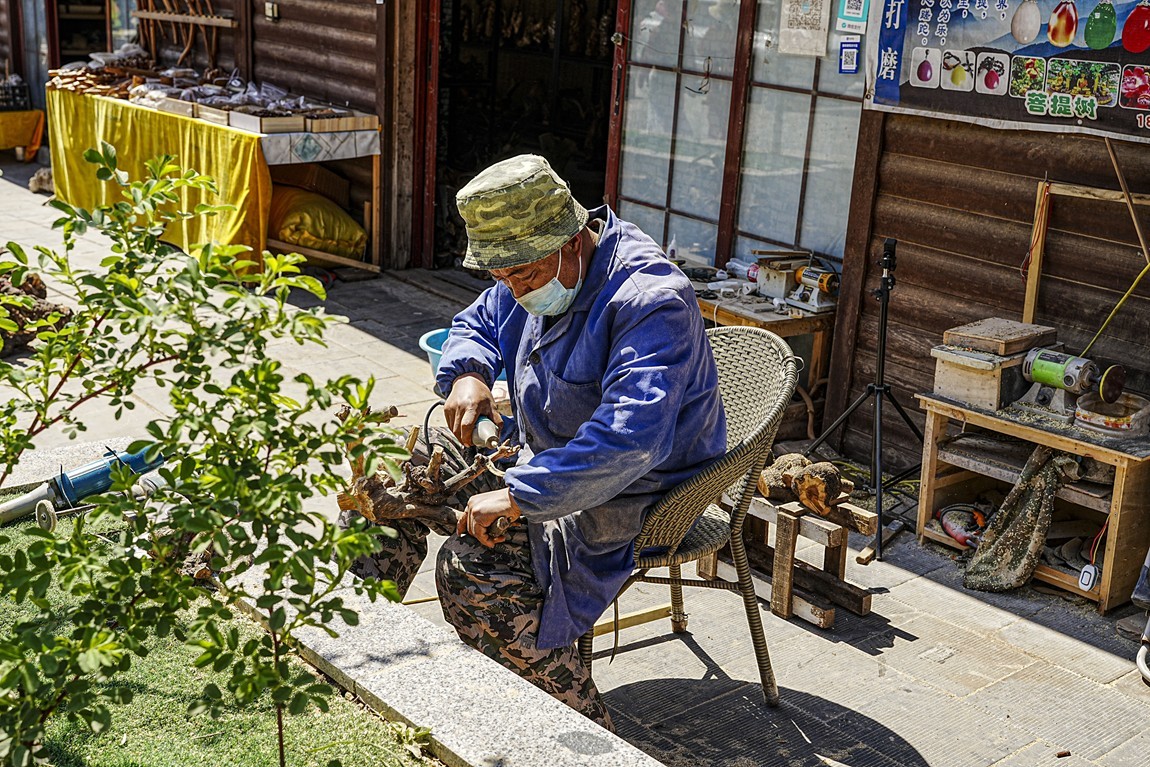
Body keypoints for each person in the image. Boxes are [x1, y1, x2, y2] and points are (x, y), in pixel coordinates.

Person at [345, 154, 726, 730]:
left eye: (523, 277)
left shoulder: (651, 302)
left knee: (472, 574)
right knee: (414, 455)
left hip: (633, 495)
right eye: (504, 278)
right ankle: (353, 626)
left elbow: (630, 441)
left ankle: (582, 723)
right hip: (546, 454)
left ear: (574, 241)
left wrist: (519, 495)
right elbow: (476, 322)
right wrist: (469, 373)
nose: (516, 291)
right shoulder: (528, 267)